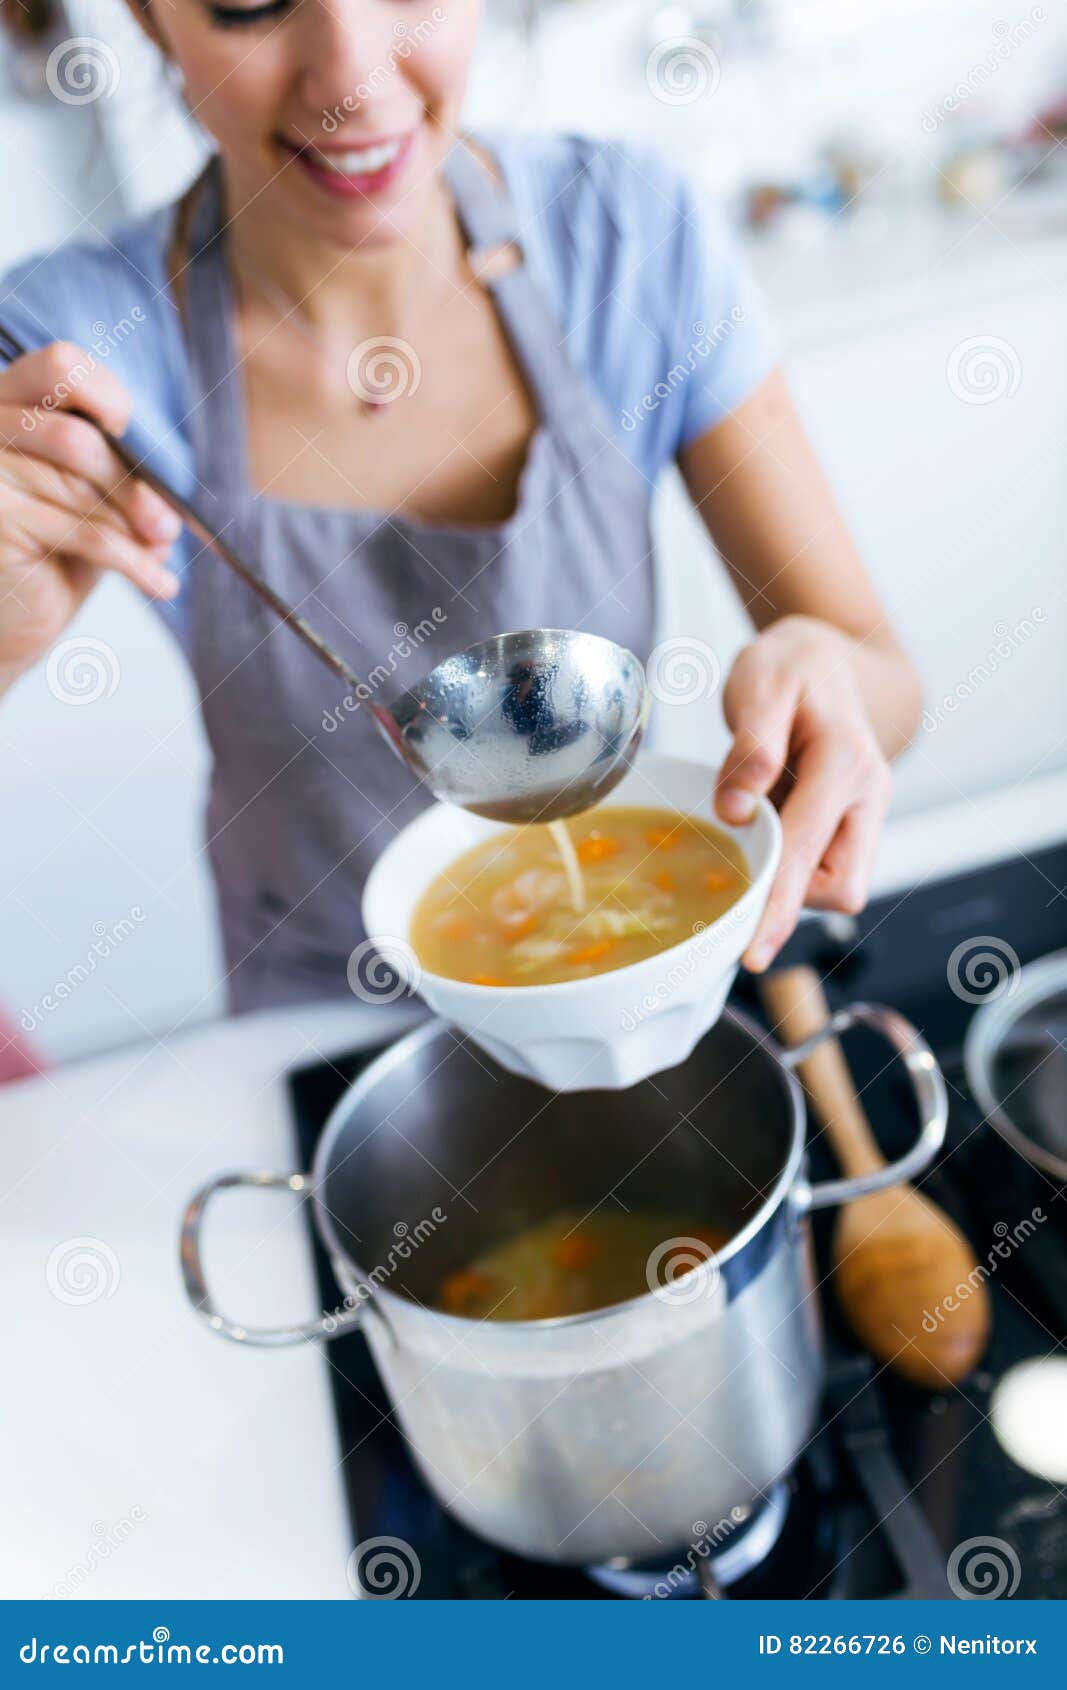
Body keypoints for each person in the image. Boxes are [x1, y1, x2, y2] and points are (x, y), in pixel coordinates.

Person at [0, 0, 920, 1014]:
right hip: (317, 1024)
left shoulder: (627, 238)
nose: (350, 76)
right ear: (146, 17)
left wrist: (830, 673)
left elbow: (881, 677)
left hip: (618, 985)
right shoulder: (67, 355)